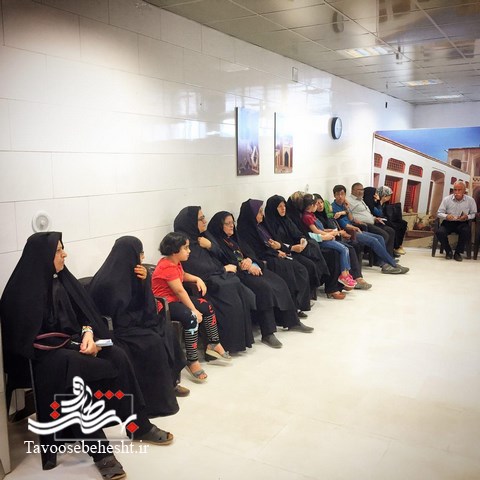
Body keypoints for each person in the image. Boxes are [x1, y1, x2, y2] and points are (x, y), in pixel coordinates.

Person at [0, 233, 174, 480]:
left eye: (63, 248)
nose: (64, 254)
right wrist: (70, 345)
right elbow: (20, 341)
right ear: (43, 256)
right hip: (43, 358)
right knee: (73, 368)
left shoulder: (65, 281)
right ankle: (100, 453)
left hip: (75, 345)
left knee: (117, 354)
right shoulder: (22, 290)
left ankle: (139, 425)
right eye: (58, 250)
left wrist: (89, 335)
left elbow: (86, 316)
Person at [88, 236, 188, 418]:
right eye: (140, 254)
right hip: (117, 329)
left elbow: (146, 306)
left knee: (166, 330)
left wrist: (145, 282)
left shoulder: (134, 275)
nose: (142, 258)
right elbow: (113, 315)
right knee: (152, 341)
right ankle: (154, 400)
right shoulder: (108, 281)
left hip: (135, 322)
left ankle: (169, 383)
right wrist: (141, 320)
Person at [207, 211, 313, 349]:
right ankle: (268, 333)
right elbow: (222, 261)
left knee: (280, 282)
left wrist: (250, 260)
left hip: (252, 268)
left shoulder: (235, 238)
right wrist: (242, 265)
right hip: (238, 274)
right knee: (264, 289)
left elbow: (250, 253)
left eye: (232, 222)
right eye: (227, 224)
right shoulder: (217, 242)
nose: (232, 226)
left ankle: (292, 321)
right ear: (219, 226)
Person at [151, 232, 231, 383]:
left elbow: (182, 275)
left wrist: (197, 278)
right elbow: (179, 291)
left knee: (207, 306)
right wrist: (193, 310)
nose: (189, 251)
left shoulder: (175, 262)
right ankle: (192, 360)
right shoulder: (166, 266)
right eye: (185, 248)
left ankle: (213, 343)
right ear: (175, 250)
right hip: (165, 305)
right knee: (191, 317)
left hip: (176, 300)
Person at [173, 206, 255, 353]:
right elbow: (196, 268)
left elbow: (223, 256)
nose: (205, 221)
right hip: (206, 284)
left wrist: (210, 246)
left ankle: (240, 340)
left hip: (217, 276)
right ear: (190, 223)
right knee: (228, 286)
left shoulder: (204, 236)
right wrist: (223, 270)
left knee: (234, 282)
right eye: (201, 219)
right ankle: (227, 343)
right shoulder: (182, 243)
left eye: (204, 217)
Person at [236, 199, 311, 317]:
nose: (262, 214)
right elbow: (256, 251)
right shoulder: (245, 231)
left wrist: (280, 249)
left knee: (301, 269)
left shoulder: (263, 225)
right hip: (265, 259)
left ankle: (300, 304)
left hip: (275, 254)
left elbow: (276, 241)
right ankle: (291, 309)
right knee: (287, 270)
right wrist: (276, 253)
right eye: (259, 212)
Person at [264, 194, 345, 300]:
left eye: (284, 206)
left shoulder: (287, 219)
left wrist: (302, 239)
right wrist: (293, 247)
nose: (283, 208)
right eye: (280, 206)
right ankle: (310, 294)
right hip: (287, 251)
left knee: (333, 253)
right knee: (311, 264)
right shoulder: (270, 224)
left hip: (299, 247)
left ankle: (332, 288)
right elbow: (277, 243)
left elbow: (298, 233)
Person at [331, 185, 409, 274]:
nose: (340, 196)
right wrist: (354, 227)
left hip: (355, 229)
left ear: (345, 195)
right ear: (334, 195)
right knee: (373, 240)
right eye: (338, 194)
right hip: (348, 232)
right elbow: (342, 223)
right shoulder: (333, 207)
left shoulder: (345, 205)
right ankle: (392, 264)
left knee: (380, 238)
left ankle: (384, 263)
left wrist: (347, 208)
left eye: (342, 194)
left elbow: (351, 218)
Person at [312, 193, 372, 290]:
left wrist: (346, 209)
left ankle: (354, 277)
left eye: (321, 202)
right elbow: (320, 232)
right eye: (317, 203)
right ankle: (352, 278)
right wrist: (338, 233)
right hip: (327, 240)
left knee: (354, 246)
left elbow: (347, 218)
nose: (320, 205)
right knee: (348, 249)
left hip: (336, 237)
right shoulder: (313, 218)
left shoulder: (326, 215)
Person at [301, 193, 357, 289]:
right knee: (343, 249)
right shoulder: (307, 217)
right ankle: (344, 275)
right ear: (311, 205)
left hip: (324, 237)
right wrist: (330, 234)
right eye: (316, 204)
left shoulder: (312, 215)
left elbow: (321, 229)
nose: (318, 206)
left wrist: (329, 231)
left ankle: (347, 273)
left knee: (346, 249)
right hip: (320, 241)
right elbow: (316, 231)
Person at [348, 183, 396, 257]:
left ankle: (389, 256)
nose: (361, 191)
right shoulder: (348, 201)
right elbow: (348, 214)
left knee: (391, 231)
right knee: (384, 235)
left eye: (362, 190)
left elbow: (370, 213)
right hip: (364, 224)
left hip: (373, 222)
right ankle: (380, 259)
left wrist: (375, 218)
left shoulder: (361, 200)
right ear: (352, 190)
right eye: (359, 190)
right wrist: (355, 220)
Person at [436, 181, 477, 261]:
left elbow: (473, 214)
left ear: (464, 190)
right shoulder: (447, 199)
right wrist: (446, 216)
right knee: (440, 232)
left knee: (466, 231)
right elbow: (439, 213)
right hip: (448, 222)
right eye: (455, 189)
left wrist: (467, 216)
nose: (456, 192)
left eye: (459, 190)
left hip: (462, 222)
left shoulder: (470, 200)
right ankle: (448, 251)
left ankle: (458, 253)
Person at [363, 186, 408, 256]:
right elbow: (379, 213)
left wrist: (380, 202)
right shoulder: (370, 202)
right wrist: (380, 201)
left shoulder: (376, 201)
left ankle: (396, 248)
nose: (375, 195)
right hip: (376, 221)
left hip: (380, 219)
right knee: (392, 228)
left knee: (402, 224)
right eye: (374, 194)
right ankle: (392, 250)